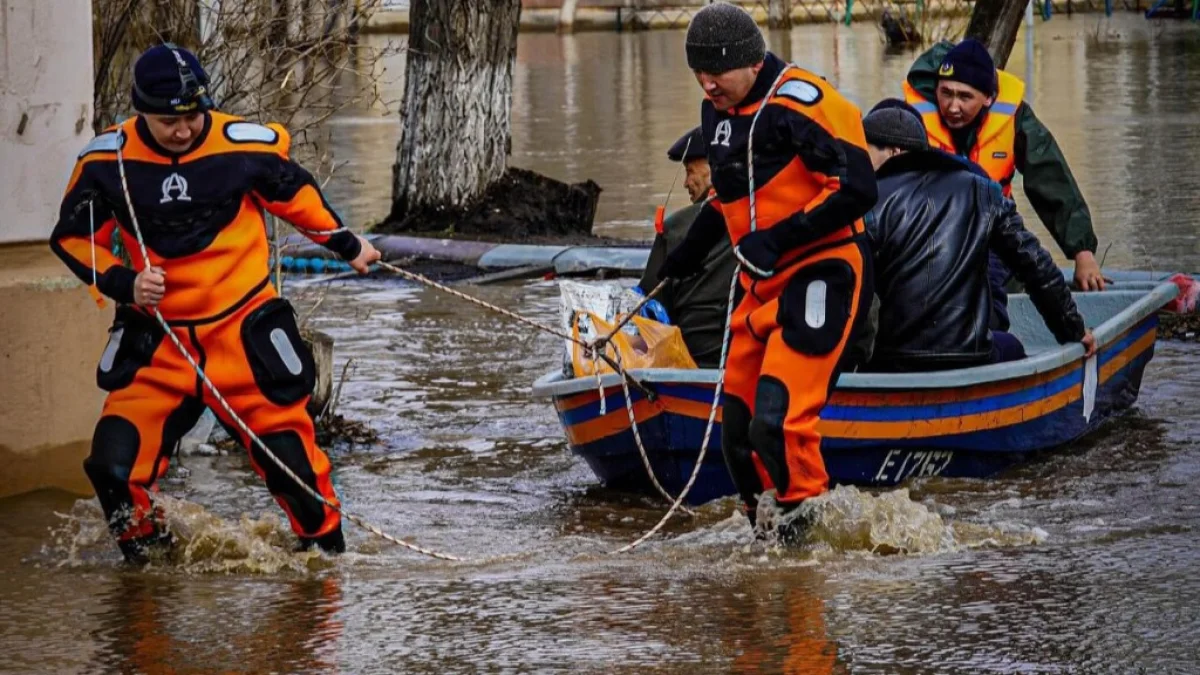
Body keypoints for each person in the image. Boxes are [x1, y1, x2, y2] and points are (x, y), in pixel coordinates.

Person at [48, 43, 381, 563]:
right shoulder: (105, 161)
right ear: (141, 113)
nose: (182, 130)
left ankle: (326, 573)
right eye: (166, 121)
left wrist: (348, 245)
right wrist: (124, 283)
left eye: (191, 116)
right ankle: (151, 573)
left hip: (242, 332)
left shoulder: (244, 146)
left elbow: (298, 198)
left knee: (295, 470)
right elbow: (72, 239)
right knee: (112, 469)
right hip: (159, 339)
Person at [657, 2, 877, 538]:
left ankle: (809, 541)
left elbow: (859, 189)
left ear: (753, 63)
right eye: (699, 75)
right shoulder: (718, 113)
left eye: (718, 74)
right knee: (736, 431)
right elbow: (728, 199)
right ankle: (766, 536)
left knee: (776, 422)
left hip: (823, 271)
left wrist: (780, 239)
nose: (708, 86)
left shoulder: (803, 103)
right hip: (761, 281)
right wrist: (682, 258)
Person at [861, 102, 1095, 371]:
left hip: (889, 360)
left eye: (867, 152)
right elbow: (1036, 267)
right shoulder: (983, 191)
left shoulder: (865, 203)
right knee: (1012, 346)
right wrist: (1073, 331)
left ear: (894, 151)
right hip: (968, 354)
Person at [903, 38, 1106, 292]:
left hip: (994, 237)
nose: (953, 106)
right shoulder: (909, 116)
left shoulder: (1014, 117)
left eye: (965, 97)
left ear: (988, 98)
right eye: (946, 93)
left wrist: (1082, 252)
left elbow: (1050, 176)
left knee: (1034, 279)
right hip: (930, 243)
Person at [636, 127, 737, 367]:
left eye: (690, 171)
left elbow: (652, 309)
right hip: (750, 351)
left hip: (695, 356)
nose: (685, 183)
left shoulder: (675, 227)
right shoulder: (762, 215)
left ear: (713, 167)